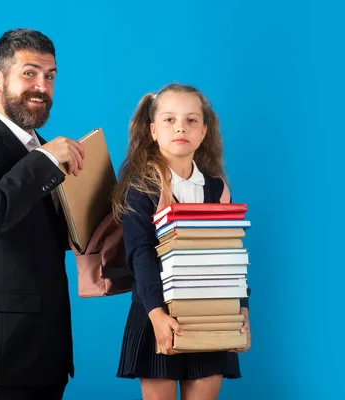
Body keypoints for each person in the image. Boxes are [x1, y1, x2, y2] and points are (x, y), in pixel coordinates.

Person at [0, 28, 85, 400]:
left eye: (50, 75)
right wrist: (43, 162)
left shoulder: (41, 149)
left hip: (45, 358)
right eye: (29, 72)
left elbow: (42, 237)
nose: (42, 85)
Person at [111, 83, 252, 400]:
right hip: (156, 313)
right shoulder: (142, 184)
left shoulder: (217, 188)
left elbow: (229, 255)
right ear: (153, 130)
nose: (180, 128)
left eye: (191, 120)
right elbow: (141, 254)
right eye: (169, 120)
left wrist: (241, 310)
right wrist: (157, 315)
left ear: (204, 132)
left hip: (211, 312)